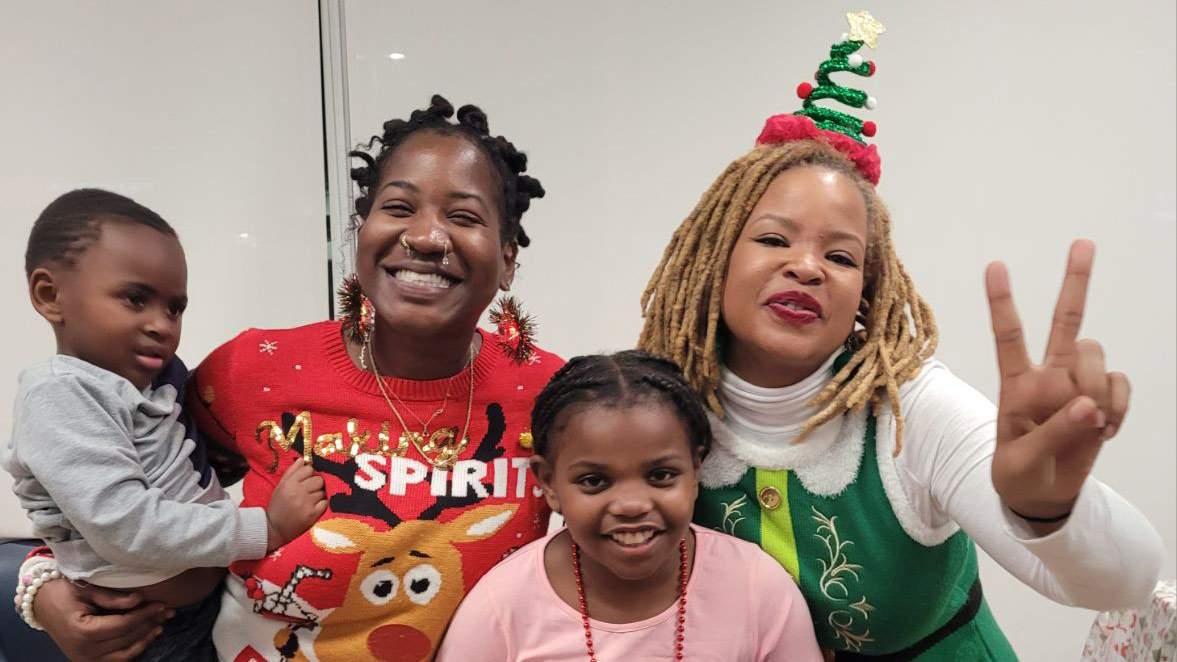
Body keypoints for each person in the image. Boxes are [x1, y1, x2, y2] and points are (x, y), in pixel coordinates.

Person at [637, 19, 1164, 660]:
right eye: (774, 239)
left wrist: (1049, 512)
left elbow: (1128, 581)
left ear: (867, 290)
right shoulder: (662, 400)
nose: (807, 267)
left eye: (841, 256)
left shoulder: (909, 410)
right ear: (714, 256)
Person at [29, 95, 562, 662]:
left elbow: (624, 534)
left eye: (463, 216)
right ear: (362, 234)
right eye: (399, 207)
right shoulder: (251, 370)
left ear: (507, 260)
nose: (427, 237)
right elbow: (100, 481)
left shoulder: (553, 397)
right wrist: (41, 590)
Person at [4, 189, 327, 662]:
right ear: (50, 296)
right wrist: (269, 527)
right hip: (151, 631)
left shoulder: (152, 380)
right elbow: (127, 528)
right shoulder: (62, 395)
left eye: (175, 308)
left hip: (207, 606)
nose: (162, 324)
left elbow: (194, 461)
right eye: (135, 299)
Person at [437, 351, 823, 662]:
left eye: (661, 476)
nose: (632, 505)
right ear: (550, 484)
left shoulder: (757, 587)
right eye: (594, 481)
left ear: (696, 469)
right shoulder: (502, 606)